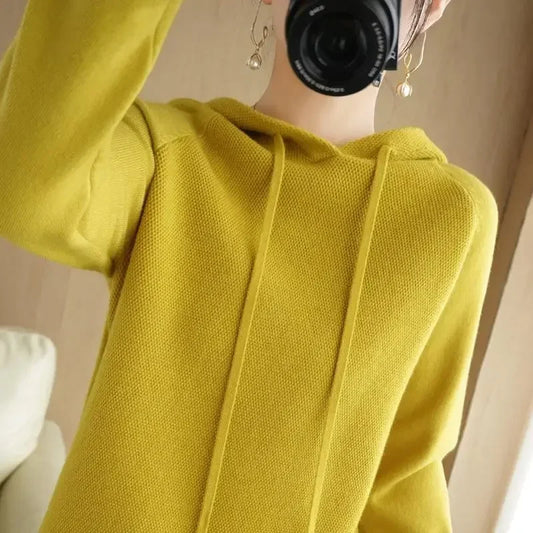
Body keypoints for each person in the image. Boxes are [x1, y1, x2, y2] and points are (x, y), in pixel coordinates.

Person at [0, 0, 498, 531]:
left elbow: (402, 476)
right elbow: (29, 188)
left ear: (433, 6)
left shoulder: (452, 217)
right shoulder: (168, 153)